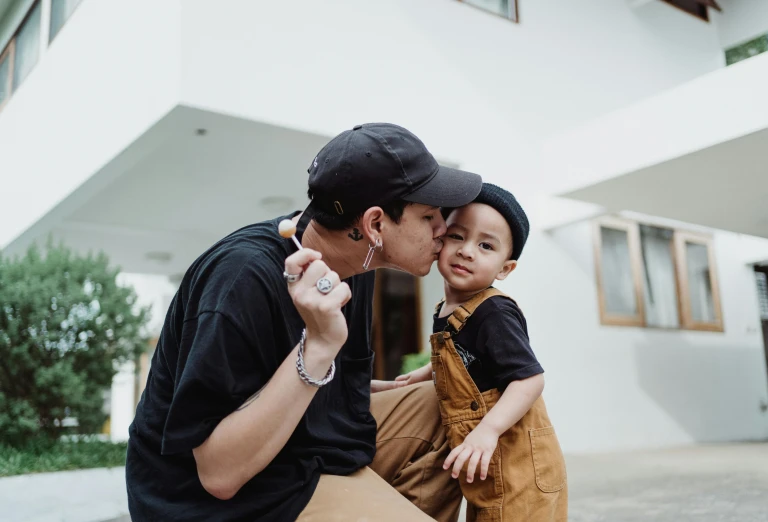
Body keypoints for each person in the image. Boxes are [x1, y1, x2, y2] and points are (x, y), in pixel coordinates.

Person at [124, 122, 483, 522]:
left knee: (457, 403)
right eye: (430, 215)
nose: (443, 230)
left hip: (305, 447)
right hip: (216, 501)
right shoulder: (242, 278)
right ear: (375, 225)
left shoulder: (356, 266)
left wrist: (375, 384)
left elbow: (299, 386)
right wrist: (318, 347)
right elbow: (217, 474)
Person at [395, 183, 568, 521]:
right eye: (457, 236)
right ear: (439, 240)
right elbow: (464, 362)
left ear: (505, 268)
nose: (467, 251)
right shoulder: (444, 309)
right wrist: (421, 375)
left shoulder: (494, 312)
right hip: (486, 465)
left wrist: (488, 430)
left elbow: (529, 380)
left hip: (521, 466)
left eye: (486, 245)